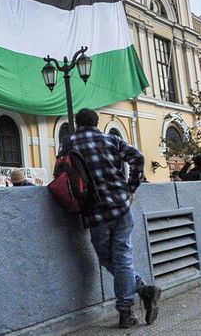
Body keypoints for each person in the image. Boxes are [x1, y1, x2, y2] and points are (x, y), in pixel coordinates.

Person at [65, 108, 161, 328]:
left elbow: (62, 174)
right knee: (122, 257)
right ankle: (143, 292)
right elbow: (138, 157)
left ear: (77, 123)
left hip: (96, 212)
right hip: (121, 206)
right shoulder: (110, 139)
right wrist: (131, 188)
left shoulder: (68, 143)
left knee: (110, 260)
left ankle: (128, 309)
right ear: (97, 123)